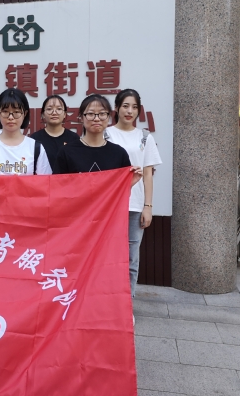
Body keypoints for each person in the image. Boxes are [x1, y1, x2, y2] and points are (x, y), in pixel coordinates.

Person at [106, 89, 162, 299]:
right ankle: (107, 302)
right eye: (125, 106)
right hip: (109, 206)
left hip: (135, 205)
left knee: (131, 260)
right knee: (107, 257)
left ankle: (127, 304)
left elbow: (148, 174)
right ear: (116, 108)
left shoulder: (145, 137)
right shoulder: (105, 134)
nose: (129, 111)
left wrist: (148, 206)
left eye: (134, 107)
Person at [53, 93, 142, 180]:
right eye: (91, 114)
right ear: (81, 117)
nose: (96, 119)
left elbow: (120, 188)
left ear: (109, 117)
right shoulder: (66, 152)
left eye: (102, 114)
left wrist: (130, 182)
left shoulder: (119, 153)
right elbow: (57, 185)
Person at [0, 88, 52, 175]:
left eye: (16, 112)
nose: (10, 117)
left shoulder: (35, 148)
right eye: (5, 112)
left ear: (24, 114)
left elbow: (45, 181)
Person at [30, 95, 79, 170]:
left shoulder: (74, 138)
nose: (54, 113)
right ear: (43, 114)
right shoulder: (34, 139)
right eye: (49, 109)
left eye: (59, 109)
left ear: (65, 114)